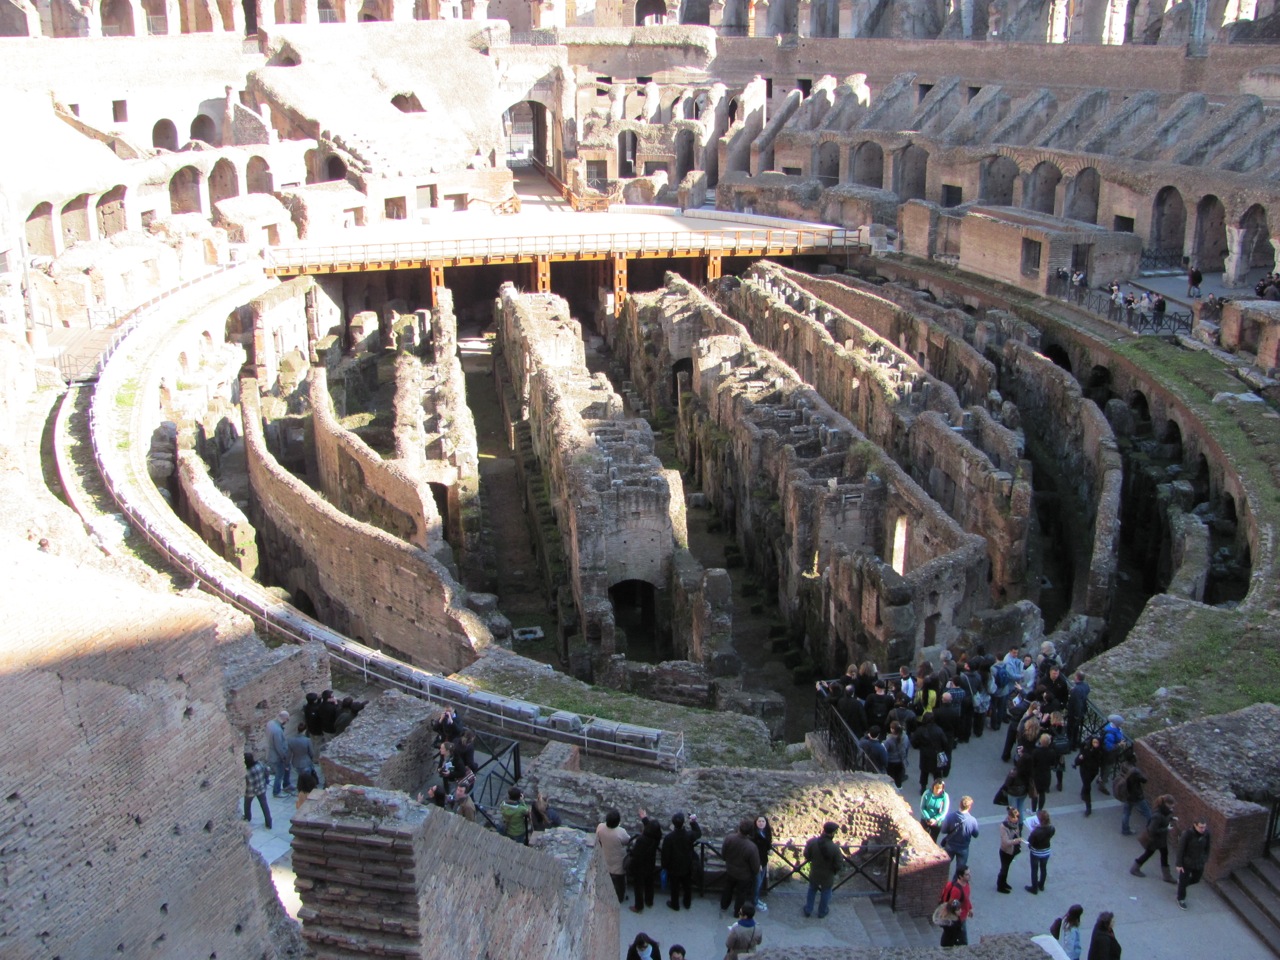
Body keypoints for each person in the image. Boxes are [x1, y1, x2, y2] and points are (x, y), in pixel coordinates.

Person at [1131, 794, 1176, 883]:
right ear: (1166, 804)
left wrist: (1171, 818)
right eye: (1171, 805)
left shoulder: (1165, 811)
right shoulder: (1157, 815)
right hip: (1154, 840)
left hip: (1161, 840)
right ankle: (1134, 868)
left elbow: (1165, 818)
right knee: (1148, 854)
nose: (1173, 807)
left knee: (1164, 854)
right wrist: (1166, 829)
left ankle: (1167, 876)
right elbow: (1152, 830)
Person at [720, 819, 761, 916]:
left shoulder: (729, 838)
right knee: (741, 894)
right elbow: (755, 866)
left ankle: (723, 906)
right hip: (744, 875)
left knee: (728, 889)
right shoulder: (751, 847)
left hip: (730, 870)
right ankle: (737, 912)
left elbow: (723, 855)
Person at [661, 811, 701, 911]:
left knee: (674, 887)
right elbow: (698, 833)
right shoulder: (688, 835)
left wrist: (665, 866)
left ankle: (675, 904)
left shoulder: (669, 838)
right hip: (686, 865)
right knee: (687, 886)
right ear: (683, 823)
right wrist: (693, 822)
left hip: (674, 866)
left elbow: (665, 854)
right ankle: (687, 903)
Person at [803, 821, 842, 919]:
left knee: (812, 890)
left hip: (814, 871)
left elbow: (806, 855)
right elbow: (838, 865)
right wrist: (834, 871)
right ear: (832, 833)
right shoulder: (835, 848)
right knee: (826, 892)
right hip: (827, 875)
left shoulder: (812, 842)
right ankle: (822, 912)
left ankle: (808, 909)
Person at [629, 808, 663, 913]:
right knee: (649, 882)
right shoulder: (657, 837)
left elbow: (635, 853)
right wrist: (644, 818)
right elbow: (652, 830)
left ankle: (638, 906)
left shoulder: (642, 840)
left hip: (640, 865)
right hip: (650, 863)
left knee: (638, 885)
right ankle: (649, 901)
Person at [911, 712, 952, 792]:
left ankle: (923, 789)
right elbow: (945, 742)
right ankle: (938, 789)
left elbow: (913, 742)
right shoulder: (938, 730)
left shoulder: (920, 730)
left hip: (925, 754)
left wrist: (919, 747)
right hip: (937, 754)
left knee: (924, 772)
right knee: (937, 773)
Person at [1176, 817, 1212, 909]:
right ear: (1195, 826)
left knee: (1196, 879)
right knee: (1183, 881)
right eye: (1201, 827)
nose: (1203, 829)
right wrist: (1179, 864)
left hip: (1199, 862)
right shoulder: (1187, 834)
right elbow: (1180, 849)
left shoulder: (1207, 834)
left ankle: (1182, 885)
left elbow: (1207, 848)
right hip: (1187, 862)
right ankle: (1181, 899)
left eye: (1204, 827)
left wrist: (1204, 858)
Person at [939, 796, 979, 876]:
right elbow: (976, 834)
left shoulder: (950, 816)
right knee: (960, 871)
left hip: (950, 845)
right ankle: (956, 882)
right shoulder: (972, 820)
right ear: (969, 807)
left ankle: (942, 880)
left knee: (944, 866)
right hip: (963, 848)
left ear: (959, 804)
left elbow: (943, 830)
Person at [596, 808, 630, 903]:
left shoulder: (600, 827)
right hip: (618, 862)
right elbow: (627, 841)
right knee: (620, 883)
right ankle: (619, 898)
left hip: (605, 858)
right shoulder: (621, 832)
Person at [939, 864, 974, 947]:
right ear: (960, 876)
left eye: (969, 873)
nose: (970, 876)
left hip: (962, 917)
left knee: (954, 936)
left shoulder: (966, 884)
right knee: (962, 941)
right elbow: (951, 903)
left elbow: (966, 898)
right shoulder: (956, 890)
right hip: (958, 919)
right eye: (967, 874)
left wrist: (970, 908)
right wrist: (956, 911)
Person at [1025, 809, 1054, 894]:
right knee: (1043, 868)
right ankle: (1041, 885)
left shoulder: (1036, 831)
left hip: (1036, 852)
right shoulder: (1051, 828)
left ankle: (1034, 888)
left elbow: (1030, 842)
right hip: (1046, 851)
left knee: (1034, 869)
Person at [995, 806, 1023, 894]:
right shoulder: (1004, 826)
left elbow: (1017, 832)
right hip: (1005, 851)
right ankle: (1000, 886)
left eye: (1017, 817)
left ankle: (1004, 883)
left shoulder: (1015, 823)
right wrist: (1016, 841)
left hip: (1012, 850)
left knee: (1006, 868)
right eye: (1015, 818)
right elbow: (1005, 842)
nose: (1016, 820)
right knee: (1004, 869)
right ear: (1009, 817)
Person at [1075, 736, 1104, 816]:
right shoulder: (1086, 750)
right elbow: (1077, 760)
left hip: (1093, 772)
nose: (1095, 744)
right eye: (1094, 742)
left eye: (1097, 742)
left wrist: (1101, 775)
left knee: (1086, 785)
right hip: (1084, 771)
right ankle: (1088, 807)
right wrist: (1079, 759)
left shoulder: (1100, 752)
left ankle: (1083, 793)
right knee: (1087, 787)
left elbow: (1102, 763)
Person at [266, 710, 292, 798]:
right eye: (287, 720)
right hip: (277, 756)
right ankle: (276, 792)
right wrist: (284, 758)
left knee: (287, 768)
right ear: (285, 719)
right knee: (279, 774)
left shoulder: (270, 723)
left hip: (271, 752)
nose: (287, 722)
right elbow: (279, 747)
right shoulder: (277, 731)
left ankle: (287, 784)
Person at [242, 752, 272, 830]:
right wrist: (266, 779)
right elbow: (267, 769)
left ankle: (247, 817)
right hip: (261, 788)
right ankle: (269, 823)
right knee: (264, 805)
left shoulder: (246, 772)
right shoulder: (259, 765)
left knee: (247, 804)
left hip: (250, 791)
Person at [750, 815, 773, 910]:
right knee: (757, 883)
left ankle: (756, 899)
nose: (761, 823)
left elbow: (768, 844)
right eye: (759, 821)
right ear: (756, 822)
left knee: (759, 883)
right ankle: (754, 902)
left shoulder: (766, 833)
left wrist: (770, 849)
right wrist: (757, 863)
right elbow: (754, 851)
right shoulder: (753, 835)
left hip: (764, 861)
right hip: (757, 863)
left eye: (763, 821)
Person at [288, 721, 318, 787]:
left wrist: (287, 764)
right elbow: (311, 753)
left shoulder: (290, 740)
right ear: (305, 730)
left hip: (296, 762)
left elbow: (289, 754)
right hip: (306, 762)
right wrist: (311, 759)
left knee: (301, 777)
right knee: (308, 779)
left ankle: (301, 787)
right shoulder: (307, 740)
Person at [1067, 672, 1090, 749]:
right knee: (1076, 729)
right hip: (1082, 710)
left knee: (1071, 729)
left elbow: (1077, 703)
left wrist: (1076, 715)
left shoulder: (1076, 689)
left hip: (1074, 713)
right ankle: (1075, 744)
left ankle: (1070, 745)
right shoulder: (1086, 686)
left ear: (1077, 677)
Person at [885, 720, 910, 788]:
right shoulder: (905, 737)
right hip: (900, 760)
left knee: (890, 776)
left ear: (892, 729)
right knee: (898, 777)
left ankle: (890, 788)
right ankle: (899, 788)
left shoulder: (889, 739)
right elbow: (907, 747)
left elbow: (885, 750)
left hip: (891, 761)